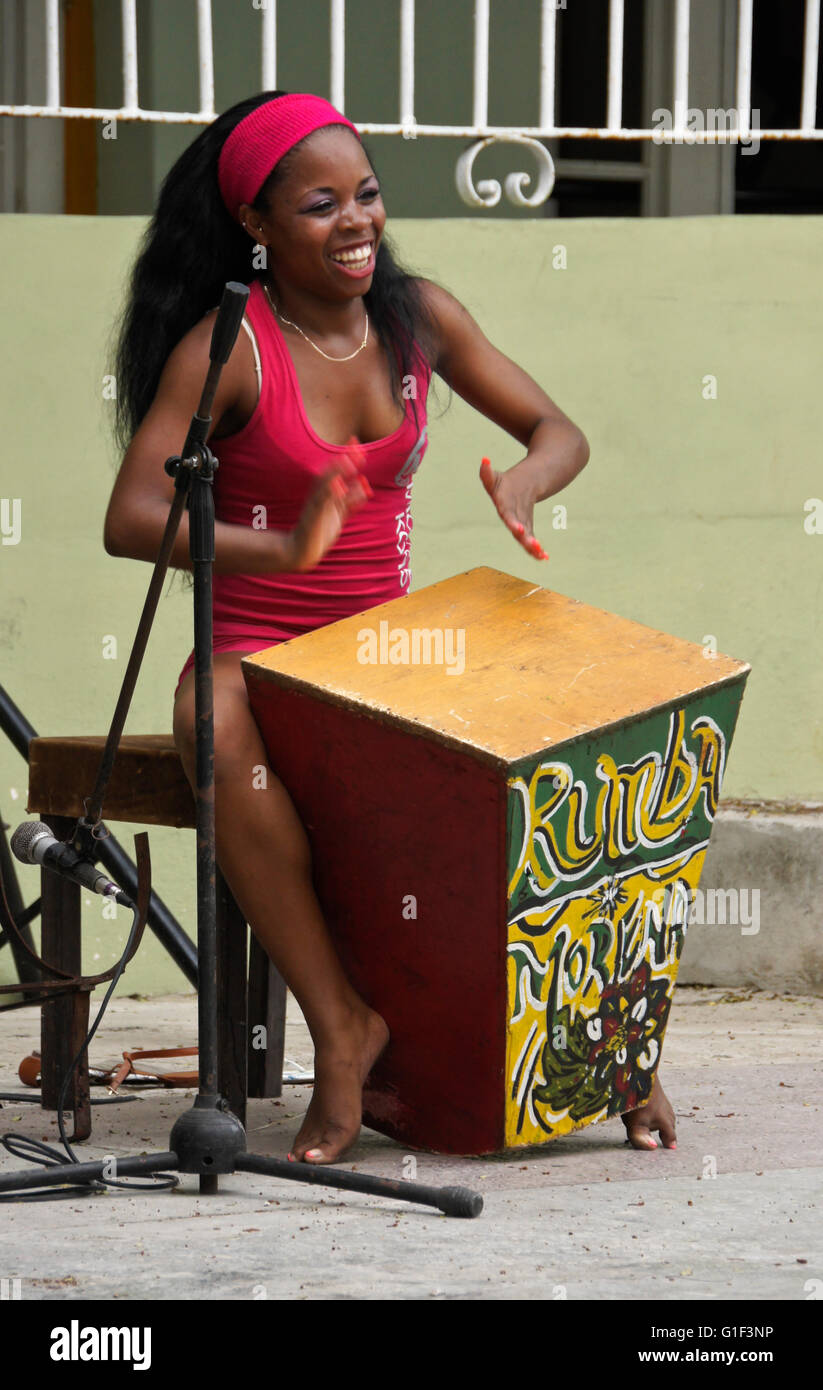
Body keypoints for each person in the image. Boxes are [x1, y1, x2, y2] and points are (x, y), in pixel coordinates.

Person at [104, 90, 675, 1163]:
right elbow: (132, 517)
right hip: (256, 648)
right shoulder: (229, 346)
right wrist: (283, 547)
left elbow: (558, 428)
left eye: (365, 193)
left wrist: (524, 484)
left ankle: (614, 1054)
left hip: (385, 650)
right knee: (212, 728)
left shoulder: (419, 317)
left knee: (555, 738)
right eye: (320, 205)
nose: (357, 220)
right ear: (258, 228)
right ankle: (345, 1029)